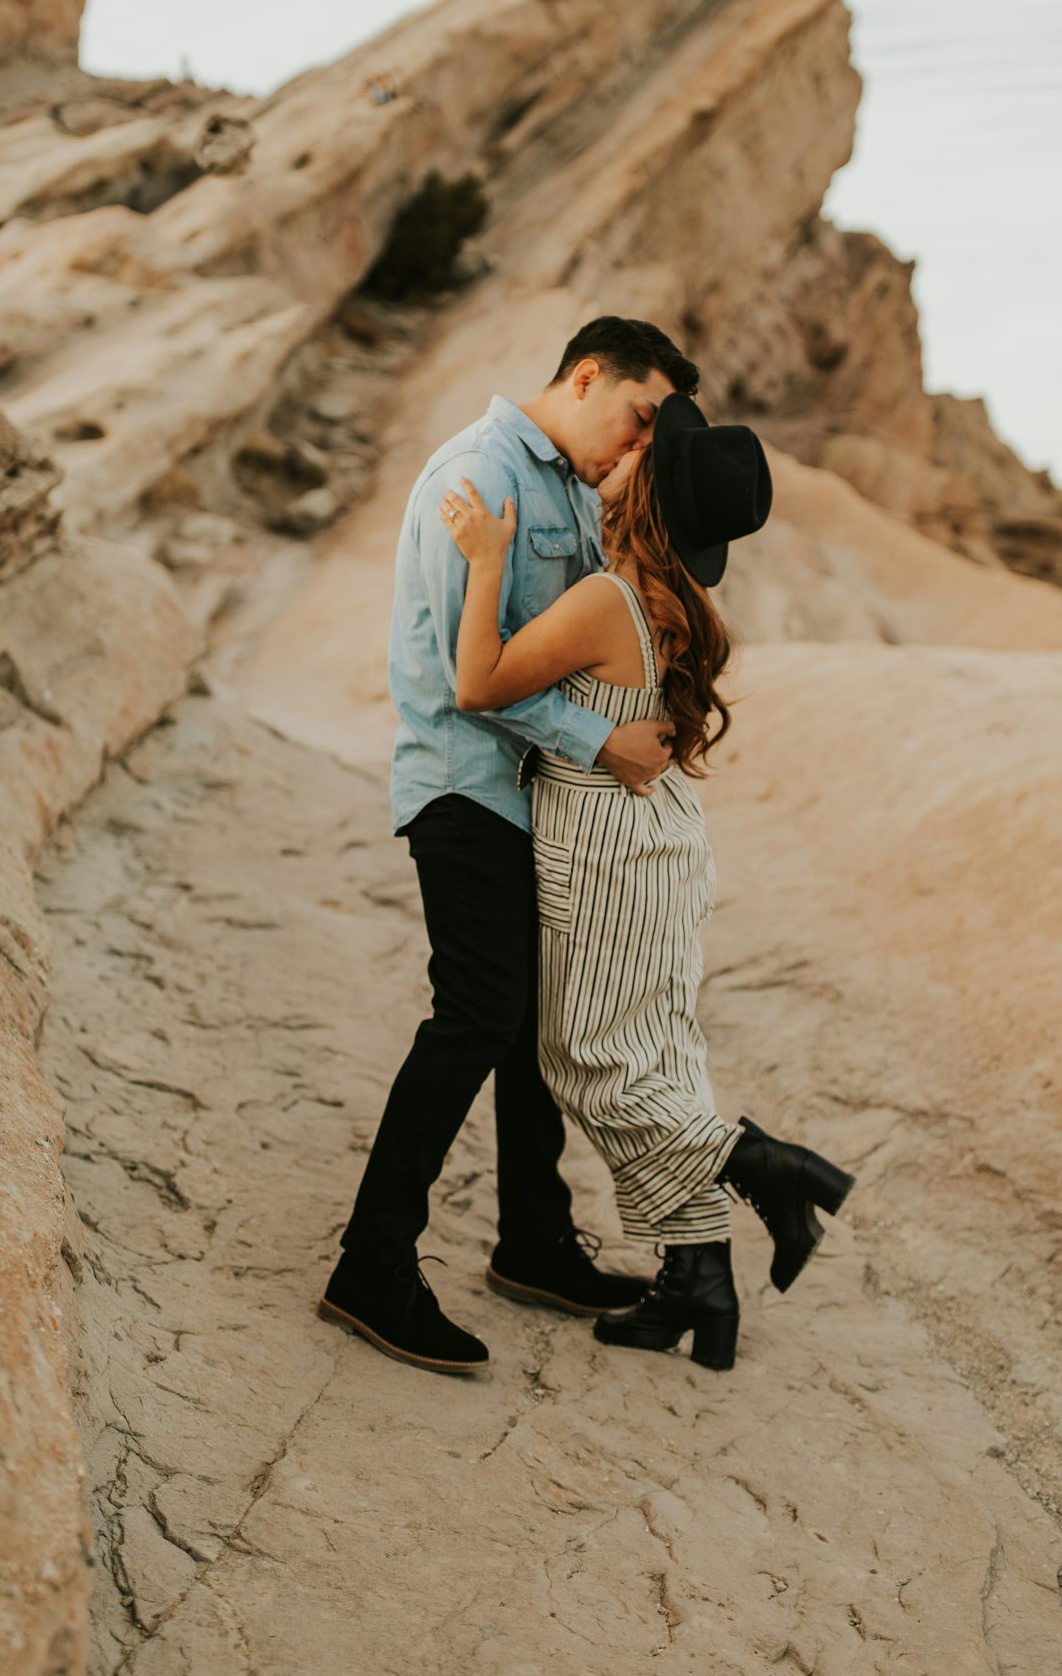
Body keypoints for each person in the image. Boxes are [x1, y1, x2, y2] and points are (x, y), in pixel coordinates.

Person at [436, 391, 855, 1372]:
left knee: (588, 1057)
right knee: (657, 1054)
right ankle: (696, 1283)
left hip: (604, 847)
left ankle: (768, 1168)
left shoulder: (606, 601)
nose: (619, 453)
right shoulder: (672, 603)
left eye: (638, 455)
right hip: (659, 838)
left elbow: (479, 684)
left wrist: (488, 558)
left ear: (648, 491)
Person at [319, 318, 696, 1375]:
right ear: (586, 378)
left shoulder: (574, 486)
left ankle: (534, 1241)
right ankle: (371, 1263)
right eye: (636, 419)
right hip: (463, 786)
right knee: (474, 1015)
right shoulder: (478, 474)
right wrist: (599, 741)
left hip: (528, 800)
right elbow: (460, 676)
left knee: (536, 1021)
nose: (634, 447)